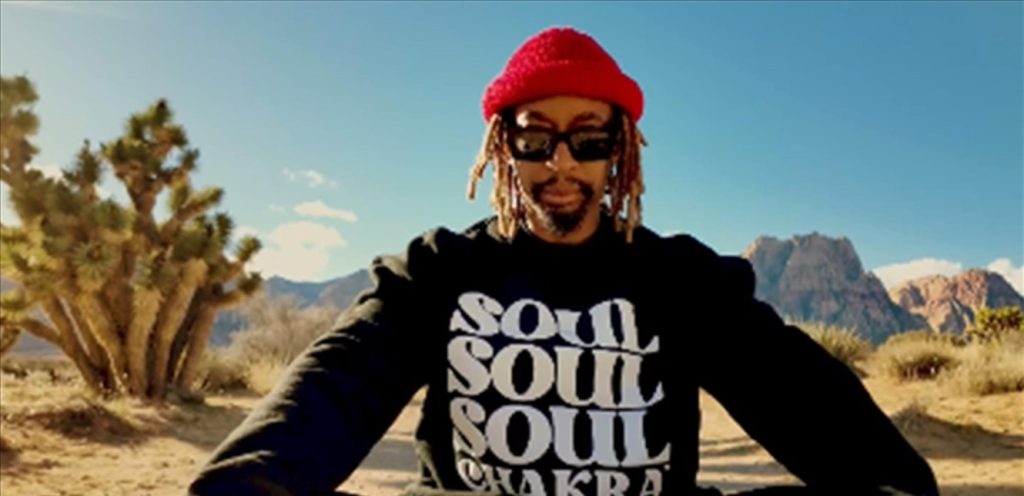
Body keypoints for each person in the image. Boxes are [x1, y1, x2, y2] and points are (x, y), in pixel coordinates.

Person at [188, 26, 938, 496]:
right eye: (534, 137)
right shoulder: (439, 272)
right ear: (502, 148)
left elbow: (802, 396)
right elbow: (331, 390)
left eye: (588, 138)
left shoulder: (682, 280)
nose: (561, 163)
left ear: (620, 153)